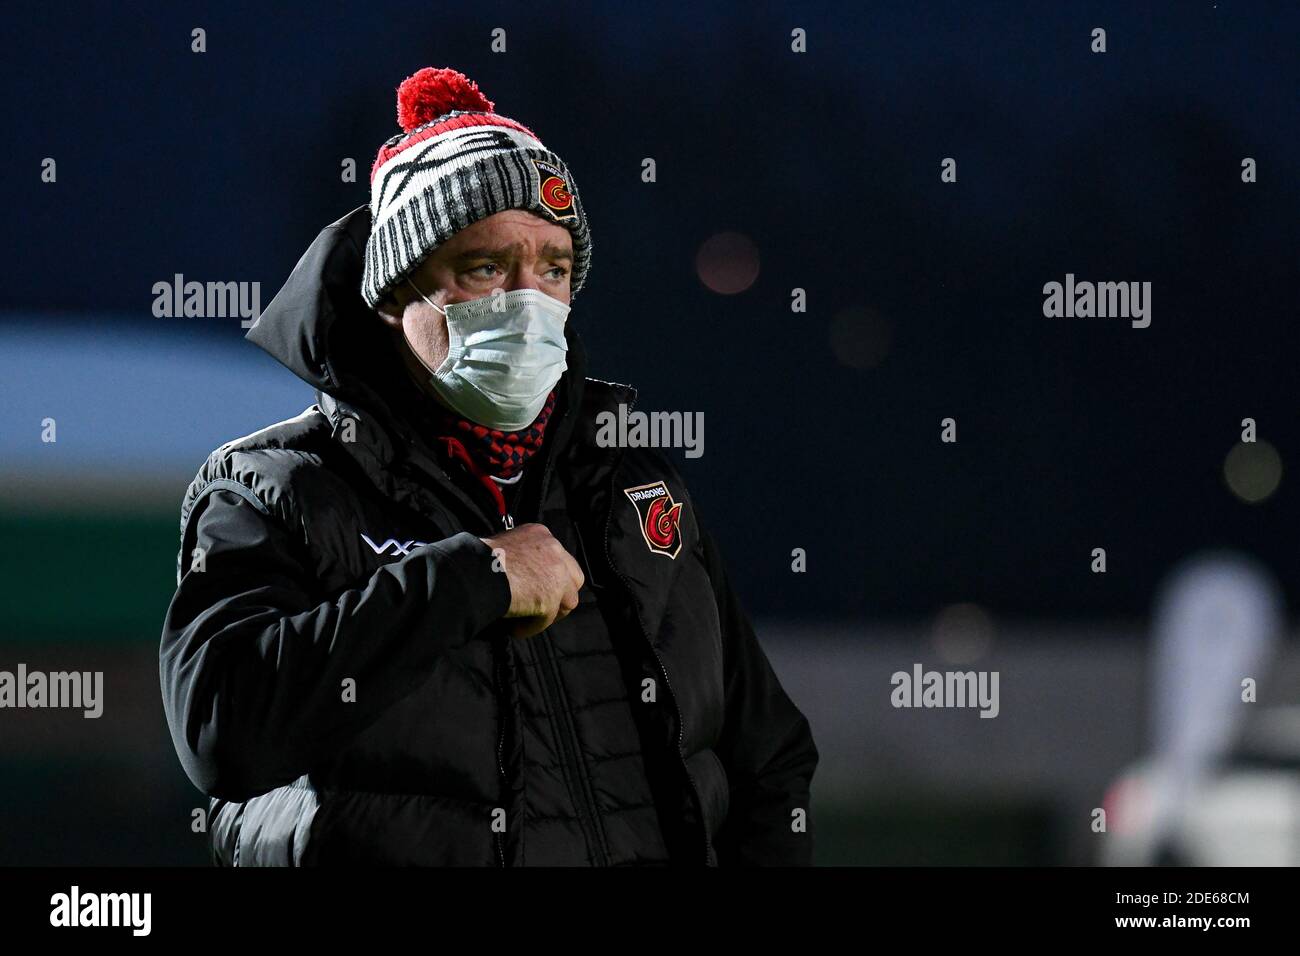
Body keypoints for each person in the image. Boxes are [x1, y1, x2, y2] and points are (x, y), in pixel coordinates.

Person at [158, 66, 818, 866]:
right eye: (484, 268)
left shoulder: (630, 484)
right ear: (396, 294)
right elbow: (222, 735)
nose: (528, 299)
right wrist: (469, 580)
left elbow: (767, 758)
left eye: (554, 268)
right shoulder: (279, 489)